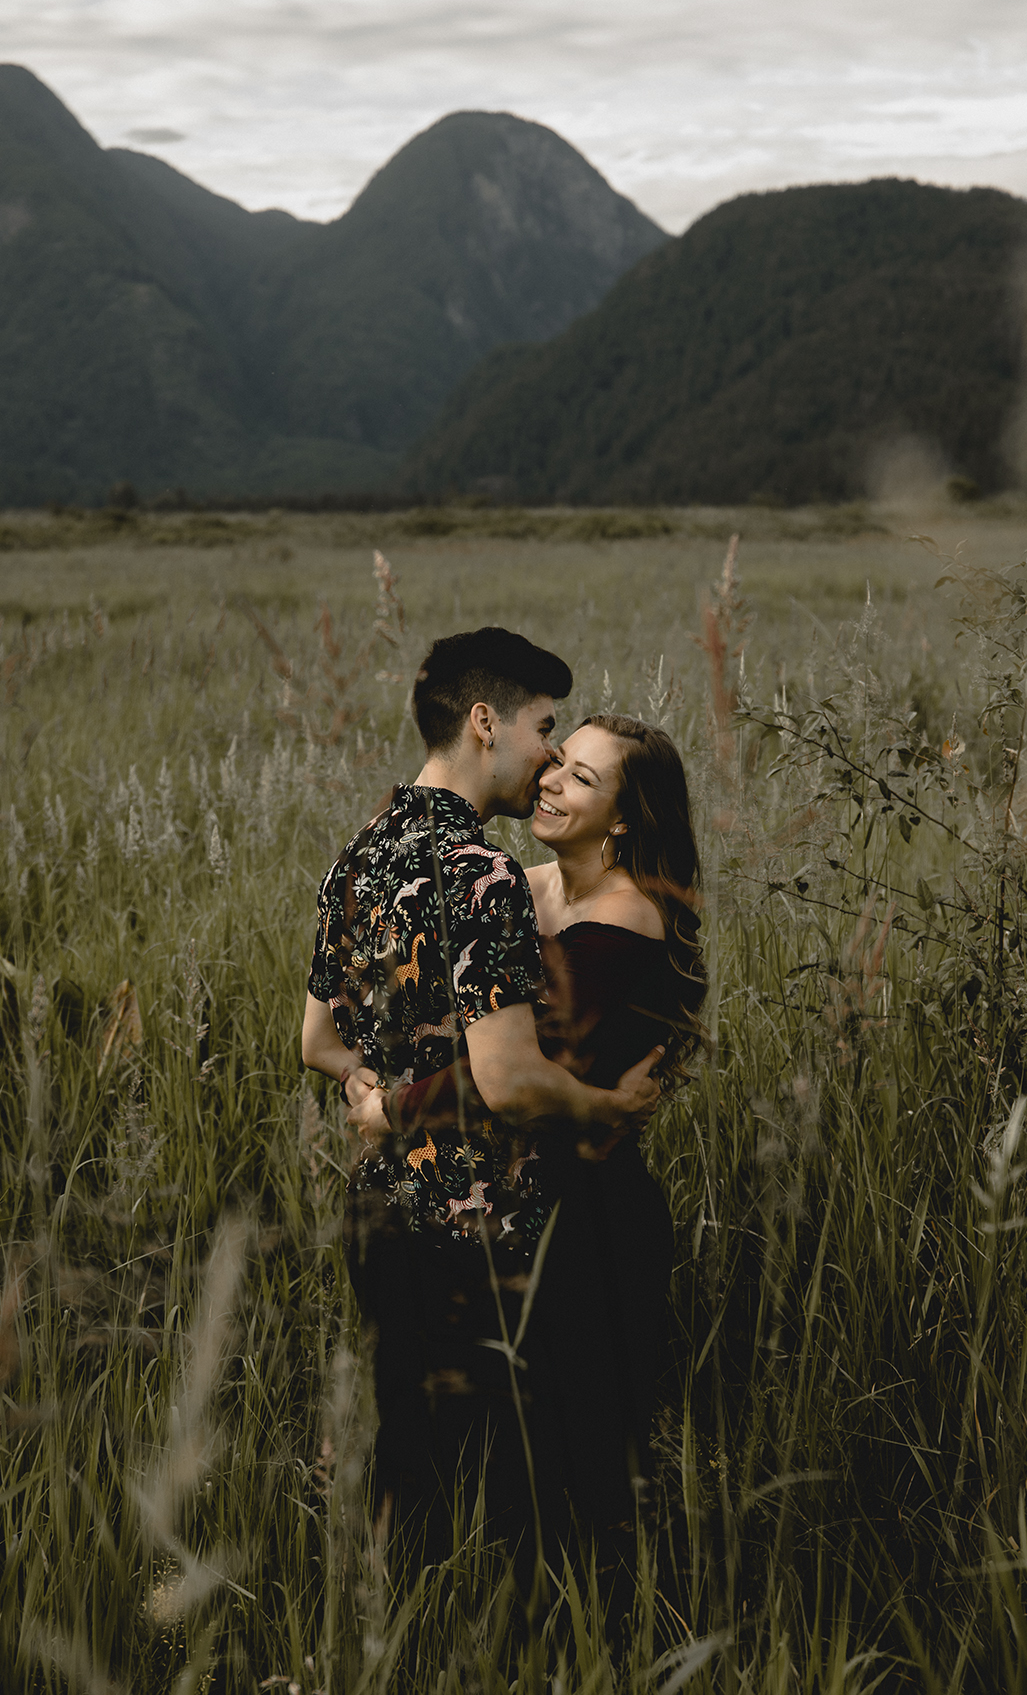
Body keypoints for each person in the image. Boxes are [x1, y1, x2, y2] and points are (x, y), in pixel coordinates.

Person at [300, 629, 664, 1569]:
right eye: (545, 727)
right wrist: (602, 1108)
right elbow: (504, 1080)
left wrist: (369, 1092)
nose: (549, 752)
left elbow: (315, 1043)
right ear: (484, 721)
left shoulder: (359, 854)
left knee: (411, 1458)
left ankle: (398, 1628)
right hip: (485, 1226)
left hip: (380, 1207)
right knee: (516, 1495)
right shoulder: (482, 872)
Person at [367, 713, 706, 1590]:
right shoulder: (517, 883)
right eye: (558, 762)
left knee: (573, 1483)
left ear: (624, 820)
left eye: (583, 780)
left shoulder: (628, 923)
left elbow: (507, 1074)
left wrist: (388, 1107)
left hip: (584, 1224)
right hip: (489, 1207)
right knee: (471, 1457)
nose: (551, 781)